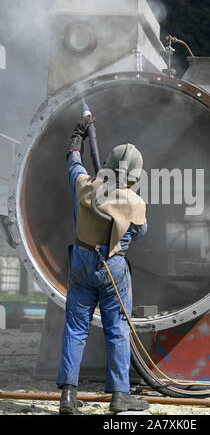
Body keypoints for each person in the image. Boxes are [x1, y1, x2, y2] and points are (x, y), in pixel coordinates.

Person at [56, 113, 149, 414]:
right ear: (135, 176)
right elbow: (139, 233)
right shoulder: (135, 203)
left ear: (107, 163)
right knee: (117, 329)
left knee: (75, 327)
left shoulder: (84, 185)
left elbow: (73, 162)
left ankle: (68, 396)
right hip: (113, 267)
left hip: (81, 262)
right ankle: (120, 396)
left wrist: (77, 136)